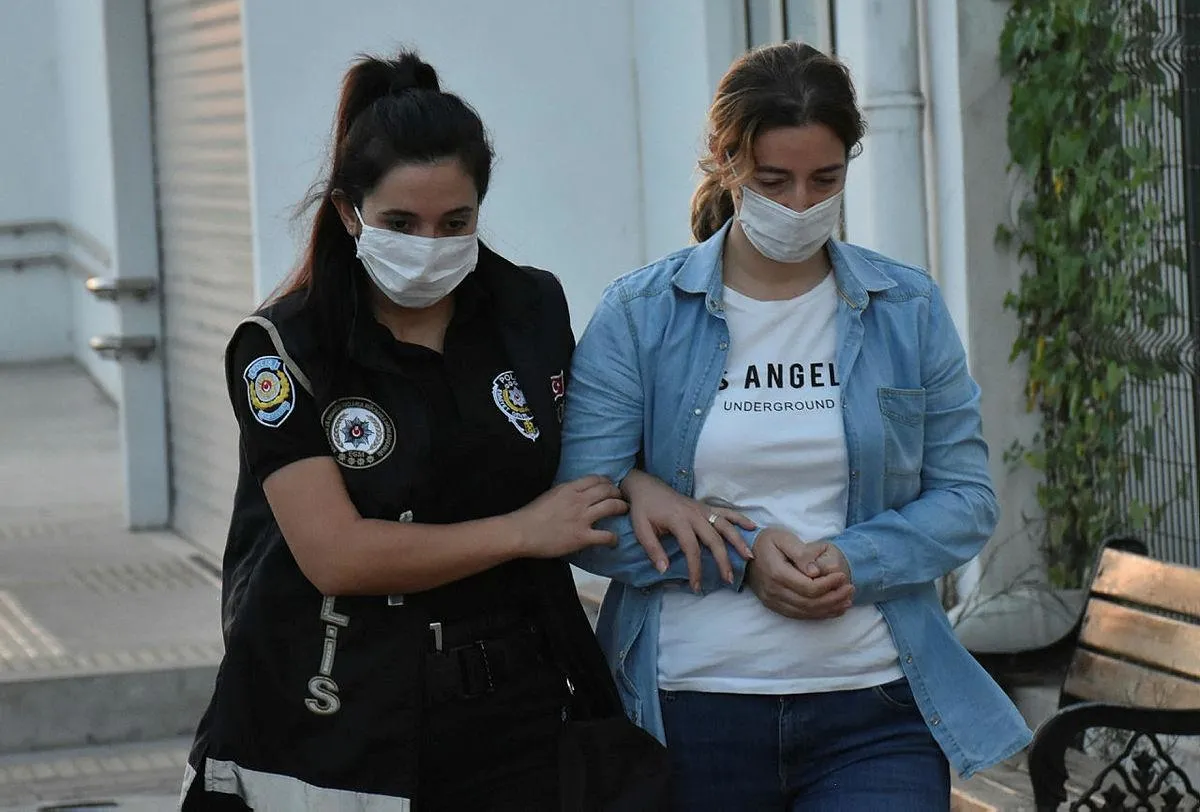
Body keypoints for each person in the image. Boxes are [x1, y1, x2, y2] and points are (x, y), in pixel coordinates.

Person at [180, 51, 665, 811]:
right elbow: (337, 555)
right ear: (349, 212)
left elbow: (569, 446)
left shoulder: (527, 308)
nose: (430, 244)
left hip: (519, 709)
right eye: (401, 223)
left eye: (455, 222)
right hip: (336, 716)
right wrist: (523, 531)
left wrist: (641, 484)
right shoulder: (283, 349)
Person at [556, 41, 1033, 811]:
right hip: (690, 708)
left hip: (873, 707)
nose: (802, 204)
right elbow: (581, 516)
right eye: (774, 181)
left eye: (827, 180)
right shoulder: (640, 316)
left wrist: (854, 559)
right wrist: (742, 559)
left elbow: (967, 499)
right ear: (726, 160)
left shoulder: (905, 310)